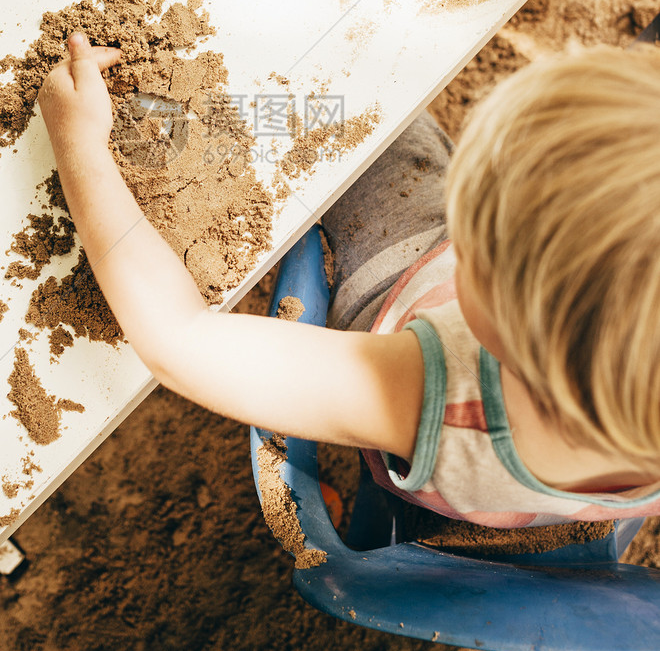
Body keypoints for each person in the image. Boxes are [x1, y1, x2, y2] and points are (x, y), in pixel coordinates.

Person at [38, 35, 660, 529]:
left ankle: (169, 123)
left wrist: (81, 145)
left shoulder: (432, 398)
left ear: (507, 322)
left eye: (477, 245)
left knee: (344, 115)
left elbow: (179, 339)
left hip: (405, 297)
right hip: (532, 485)